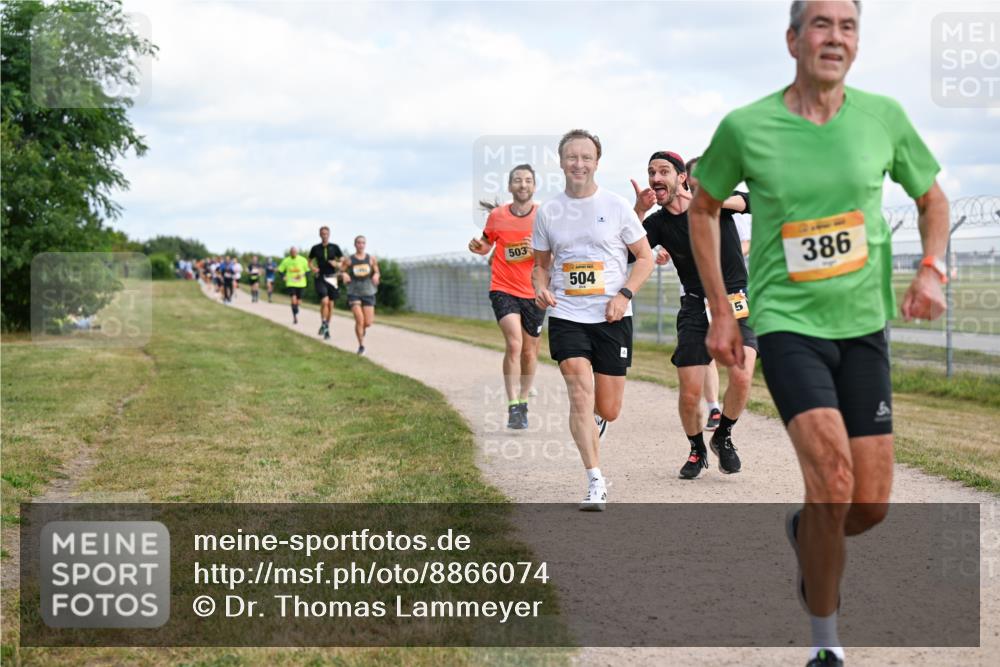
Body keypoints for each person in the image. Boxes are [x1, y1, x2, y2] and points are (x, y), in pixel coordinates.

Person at [688, 3, 949, 665]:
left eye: (849, 25)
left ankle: (806, 530)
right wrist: (722, 308)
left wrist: (932, 268)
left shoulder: (881, 117)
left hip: (864, 328)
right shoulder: (746, 126)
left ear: (857, 41)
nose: (836, 37)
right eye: (822, 24)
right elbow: (703, 205)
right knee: (832, 477)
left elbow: (933, 198)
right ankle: (826, 646)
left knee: (868, 505)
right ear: (793, 39)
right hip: (787, 324)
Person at [532, 129, 654, 511]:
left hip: (611, 316)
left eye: (586, 157)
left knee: (610, 408)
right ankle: (595, 480)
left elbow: (645, 259)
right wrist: (541, 287)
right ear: (562, 162)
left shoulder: (617, 207)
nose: (579, 164)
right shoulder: (549, 212)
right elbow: (540, 265)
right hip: (568, 313)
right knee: (580, 392)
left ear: (597, 162)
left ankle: (597, 422)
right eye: (572, 157)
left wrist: (624, 295)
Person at [632, 151, 756, 479]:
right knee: (690, 394)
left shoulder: (718, 204)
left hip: (734, 302)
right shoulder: (658, 223)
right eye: (651, 172)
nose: (656, 178)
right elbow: (628, 250)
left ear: (681, 178)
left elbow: (751, 200)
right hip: (694, 307)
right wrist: (639, 211)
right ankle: (696, 448)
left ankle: (723, 436)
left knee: (742, 376)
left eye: (663, 171)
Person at [469, 164, 544, 429]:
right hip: (502, 287)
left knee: (529, 350)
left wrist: (535, 250)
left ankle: (524, 400)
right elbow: (486, 244)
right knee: (514, 344)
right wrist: (478, 247)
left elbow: (555, 254)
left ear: (534, 186)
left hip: (534, 291)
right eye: (517, 180)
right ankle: (513, 405)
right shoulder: (498, 216)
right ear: (510, 186)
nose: (522, 184)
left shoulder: (544, 216)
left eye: (527, 180)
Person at [686, 154, 753, 432]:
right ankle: (713, 406)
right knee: (708, 355)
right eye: (693, 182)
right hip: (699, 296)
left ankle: (724, 429)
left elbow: (748, 203)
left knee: (741, 371)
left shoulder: (729, 203)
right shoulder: (682, 212)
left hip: (735, 295)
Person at [342, 235, 380, 355]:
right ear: (355, 244)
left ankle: (362, 330)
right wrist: (344, 274)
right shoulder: (349, 260)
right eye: (358, 243)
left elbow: (377, 270)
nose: (361, 245)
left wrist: (376, 275)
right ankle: (361, 346)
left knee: (367, 323)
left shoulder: (371, 259)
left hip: (368, 291)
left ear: (365, 244)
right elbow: (341, 270)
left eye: (363, 243)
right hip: (354, 291)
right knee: (359, 319)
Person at [309, 226, 344, 340]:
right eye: (322, 233)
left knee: (331, 305)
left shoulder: (335, 247)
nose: (324, 235)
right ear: (320, 235)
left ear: (329, 235)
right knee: (324, 301)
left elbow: (343, 261)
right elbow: (309, 261)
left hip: (332, 278)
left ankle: (326, 327)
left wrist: (337, 264)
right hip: (320, 277)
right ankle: (324, 323)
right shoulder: (315, 248)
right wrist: (313, 268)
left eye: (326, 233)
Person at [277, 247, 310, 324]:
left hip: (301, 284)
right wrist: (283, 276)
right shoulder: (286, 260)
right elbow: (280, 270)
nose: (293, 253)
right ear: (290, 252)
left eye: (295, 252)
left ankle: (296, 308)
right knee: (293, 299)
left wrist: (303, 275)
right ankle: (295, 317)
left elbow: (308, 271)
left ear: (297, 252)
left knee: (299, 301)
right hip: (291, 283)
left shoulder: (303, 260)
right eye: (292, 252)